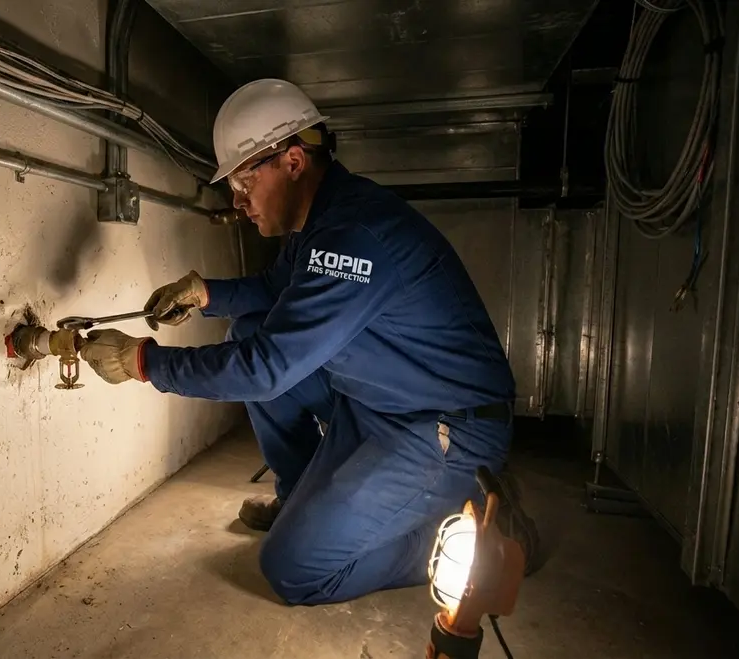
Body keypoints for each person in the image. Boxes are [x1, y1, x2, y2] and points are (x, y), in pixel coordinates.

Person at [79, 78, 537, 606]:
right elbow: (278, 288)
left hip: (445, 425)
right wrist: (206, 294)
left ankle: (485, 541)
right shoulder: (319, 222)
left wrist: (143, 362)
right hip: (378, 403)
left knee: (294, 568)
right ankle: (300, 502)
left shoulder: (353, 235)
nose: (237, 201)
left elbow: (265, 369)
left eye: (244, 181)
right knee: (249, 328)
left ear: (293, 161)